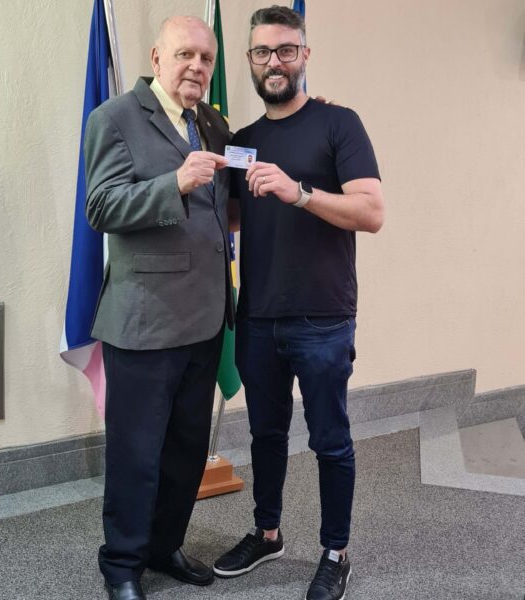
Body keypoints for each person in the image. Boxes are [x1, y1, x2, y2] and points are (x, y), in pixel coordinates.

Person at [213, 6, 384, 600]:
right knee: (265, 435)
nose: (274, 62)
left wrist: (300, 192)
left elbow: (371, 212)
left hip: (322, 317)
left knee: (329, 440)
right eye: (263, 52)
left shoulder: (339, 123)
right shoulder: (242, 142)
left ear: (304, 55)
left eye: (286, 50)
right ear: (250, 61)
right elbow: (236, 218)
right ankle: (267, 533)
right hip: (258, 317)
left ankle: (336, 553)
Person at [83, 15, 233, 600]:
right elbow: (101, 206)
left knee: (186, 451)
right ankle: (121, 564)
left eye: (206, 58)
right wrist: (174, 183)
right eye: (185, 54)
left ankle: (165, 544)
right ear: (156, 57)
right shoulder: (114, 118)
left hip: (205, 319)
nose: (197, 66)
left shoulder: (212, 123)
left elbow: (227, 200)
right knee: (136, 454)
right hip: (144, 321)